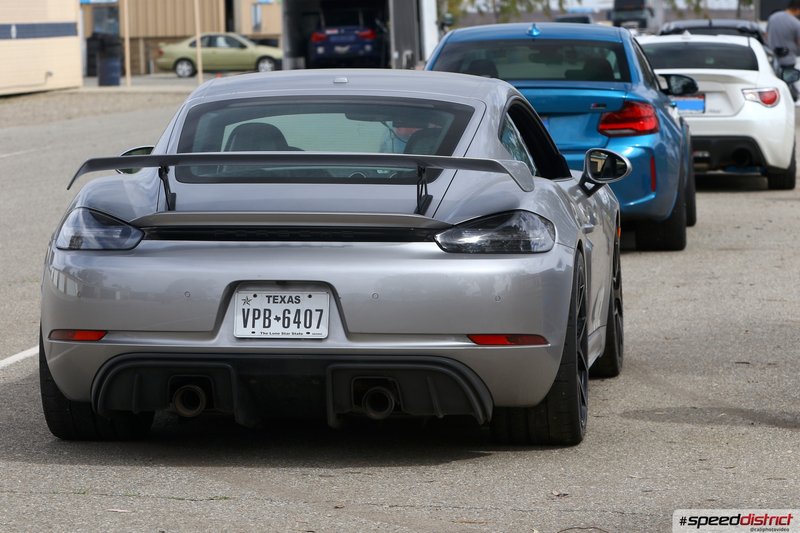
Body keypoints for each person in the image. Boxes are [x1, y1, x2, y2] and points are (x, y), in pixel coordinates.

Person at [767, 0, 800, 100]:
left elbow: (766, 34)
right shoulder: (796, 23)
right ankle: (792, 99)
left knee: (776, 82)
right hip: (788, 58)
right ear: (797, 9)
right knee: (789, 83)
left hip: (771, 56)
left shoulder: (773, 17)